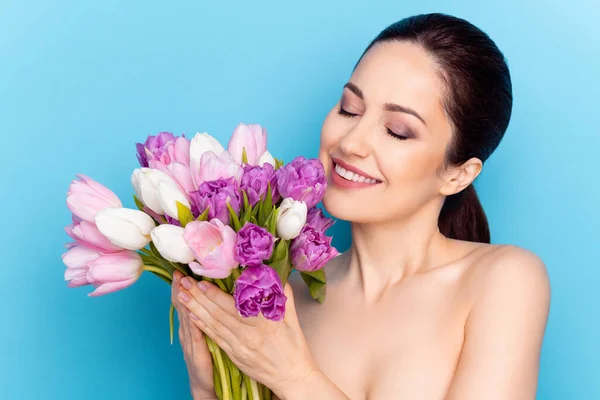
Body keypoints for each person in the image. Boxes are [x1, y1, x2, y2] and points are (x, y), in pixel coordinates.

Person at [171, 12, 551, 400]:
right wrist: (208, 387)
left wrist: (295, 378)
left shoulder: (503, 280)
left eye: (397, 131)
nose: (350, 142)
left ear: (457, 174)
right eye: (349, 109)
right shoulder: (286, 296)